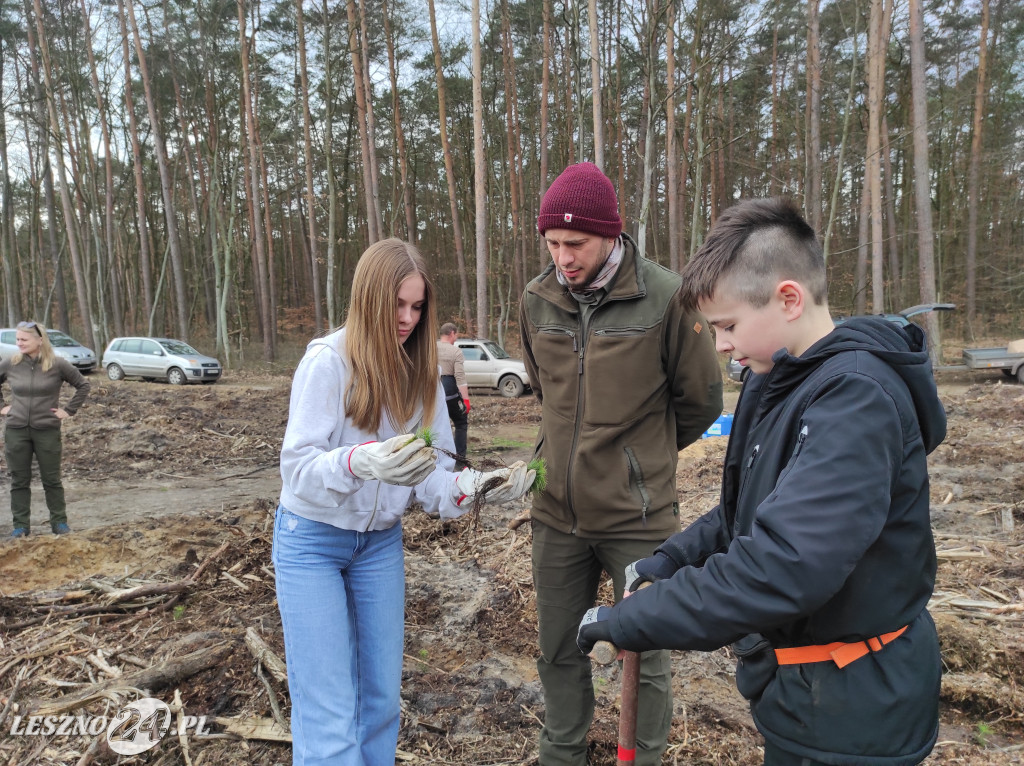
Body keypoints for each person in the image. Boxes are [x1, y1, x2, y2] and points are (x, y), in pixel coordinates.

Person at [575, 198, 947, 766]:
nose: (721, 346)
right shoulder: (777, 381)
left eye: (728, 326)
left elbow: (783, 564)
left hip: (856, 712)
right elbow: (741, 511)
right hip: (804, 697)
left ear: (789, 299)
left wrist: (634, 620)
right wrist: (668, 561)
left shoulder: (854, 402)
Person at [274, 238, 535, 766]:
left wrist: (480, 485)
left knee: (380, 703)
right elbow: (297, 470)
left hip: (379, 548)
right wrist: (359, 462)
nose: (408, 319)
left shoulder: (420, 376)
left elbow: (434, 481)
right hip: (313, 544)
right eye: (398, 304)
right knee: (328, 710)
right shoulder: (328, 363)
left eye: (417, 307)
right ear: (369, 296)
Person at [519, 162, 723, 766]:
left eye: (575, 244)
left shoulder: (667, 298)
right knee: (558, 647)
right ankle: (563, 753)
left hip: (638, 518)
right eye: (553, 244)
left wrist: (641, 463)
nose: (563, 257)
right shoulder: (537, 299)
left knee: (647, 651)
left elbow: (701, 401)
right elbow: (546, 390)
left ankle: (647, 756)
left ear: (612, 233)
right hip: (556, 513)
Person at [0, 321, 91, 538]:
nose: (19, 343)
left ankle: (59, 522)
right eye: (17, 339)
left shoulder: (58, 365)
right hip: (16, 429)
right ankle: (21, 526)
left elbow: (83, 385)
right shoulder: (10, 363)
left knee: (51, 479)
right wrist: (2, 407)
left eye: (24, 339)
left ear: (40, 340)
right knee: (19, 480)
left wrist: (68, 410)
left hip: (47, 430)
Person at [437, 322, 470, 469]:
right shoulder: (455, 351)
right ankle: (460, 461)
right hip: (450, 394)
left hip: (433, 393)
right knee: (461, 423)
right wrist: (466, 401)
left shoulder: (431, 348)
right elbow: (460, 377)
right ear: (451, 333)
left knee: (436, 426)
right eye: (456, 335)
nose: (456, 338)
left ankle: (436, 459)